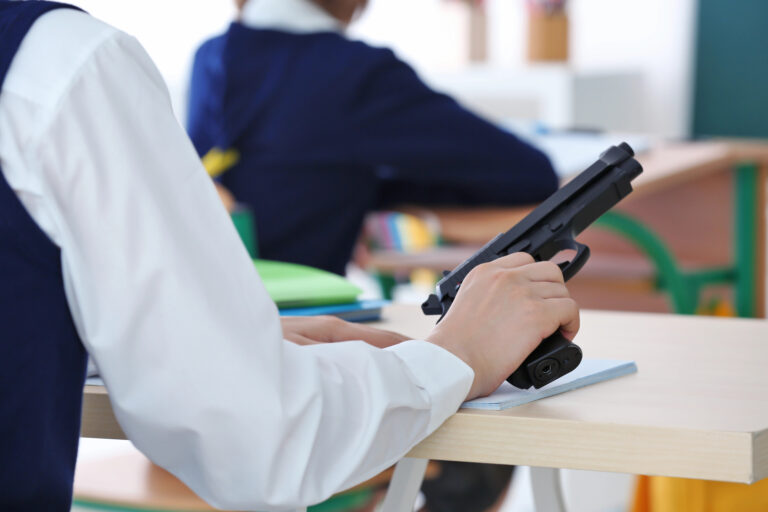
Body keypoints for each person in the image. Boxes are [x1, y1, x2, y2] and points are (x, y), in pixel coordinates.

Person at [0, 1, 579, 510]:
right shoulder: (66, 64)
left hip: (203, 384)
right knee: (480, 449)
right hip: (252, 428)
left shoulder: (213, 58)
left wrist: (212, 340)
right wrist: (462, 353)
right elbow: (525, 170)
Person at [187, 0, 559, 275]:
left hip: (212, 303)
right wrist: (378, 191)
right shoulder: (354, 73)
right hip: (304, 318)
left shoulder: (211, 57)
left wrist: (357, 185)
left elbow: (284, 168)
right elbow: (529, 173)